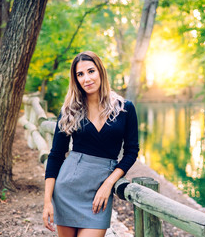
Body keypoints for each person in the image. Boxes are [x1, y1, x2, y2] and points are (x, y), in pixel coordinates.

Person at [42, 51, 139, 237]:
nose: (86, 78)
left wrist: (108, 184)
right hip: (66, 190)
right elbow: (55, 155)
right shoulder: (70, 110)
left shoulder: (125, 108)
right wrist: (47, 202)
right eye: (80, 74)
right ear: (76, 79)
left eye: (91, 71)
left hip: (100, 191)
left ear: (101, 72)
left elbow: (132, 151)